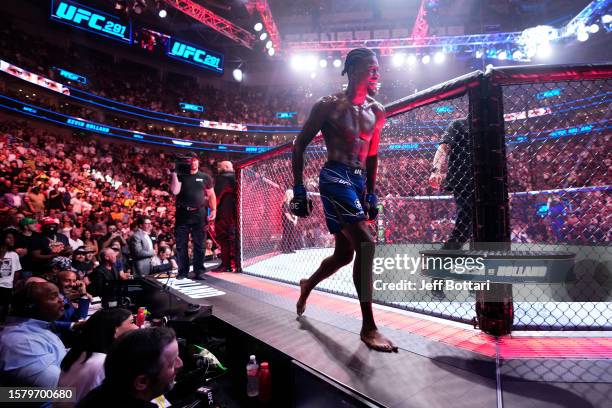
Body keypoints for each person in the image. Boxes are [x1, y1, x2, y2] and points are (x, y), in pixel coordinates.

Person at [291, 48, 396, 352]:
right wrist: (299, 188)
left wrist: (372, 191)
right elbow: (299, 145)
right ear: (353, 70)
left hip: (359, 181)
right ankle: (368, 326)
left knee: (344, 255)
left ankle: (307, 284)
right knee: (366, 244)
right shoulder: (328, 106)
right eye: (370, 68)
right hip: (334, 176)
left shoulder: (378, 111)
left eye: (378, 68)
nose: (376, 72)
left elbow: (373, 155)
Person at [76, 327, 183, 408]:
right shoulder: (97, 364)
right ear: (142, 382)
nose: (180, 364)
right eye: (172, 363)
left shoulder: (99, 393)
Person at [429, 118, 474, 297]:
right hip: (464, 182)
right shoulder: (459, 124)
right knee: (462, 232)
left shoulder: (489, 128)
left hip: (485, 185)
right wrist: (435, 169)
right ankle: (438, 278)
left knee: (481, 235)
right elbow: (443, 147)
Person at [58, 308, 137, 405]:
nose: (137, 327)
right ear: (115, 331)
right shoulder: (102, 364)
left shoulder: (77, 353)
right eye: (132, 322)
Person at [0, 281, 66, 387]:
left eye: (59, 295)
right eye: (53, 297)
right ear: (31, 306)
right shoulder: (21, 343)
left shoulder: (38, 328)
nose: (61, 300)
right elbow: (58, 388)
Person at [170, 154, 216, 279]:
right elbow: (175, 191)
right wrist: (174, 173)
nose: (193, 163)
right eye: (190, 160)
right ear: (187, 162)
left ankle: (199, 271)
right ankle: (182, 271)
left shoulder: (205, 177)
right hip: (183, 214)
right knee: (181, 244)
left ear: (198, 162)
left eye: (195, 160)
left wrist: (214, 209)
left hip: (199, 214)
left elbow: (211, 195)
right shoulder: (180, 175)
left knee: (200, 244)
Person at [211, 161, 236, 272]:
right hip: (235, 213)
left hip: (224, 214)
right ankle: (234, 263)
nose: (217, 168)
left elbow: (216, 198)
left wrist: (212, 208)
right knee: (233, 238)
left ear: (226, 167)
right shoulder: (237, 177)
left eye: (219, 166)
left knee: (223, 237)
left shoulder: (222, 178)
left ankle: (226, 265)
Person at [0, 229, 22, 321]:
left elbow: (17, 271)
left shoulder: (14, 255)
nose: (12, 240)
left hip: (7, 286)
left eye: (13, 238)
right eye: (9, 238)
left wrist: (13, 284)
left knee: (3, 310)